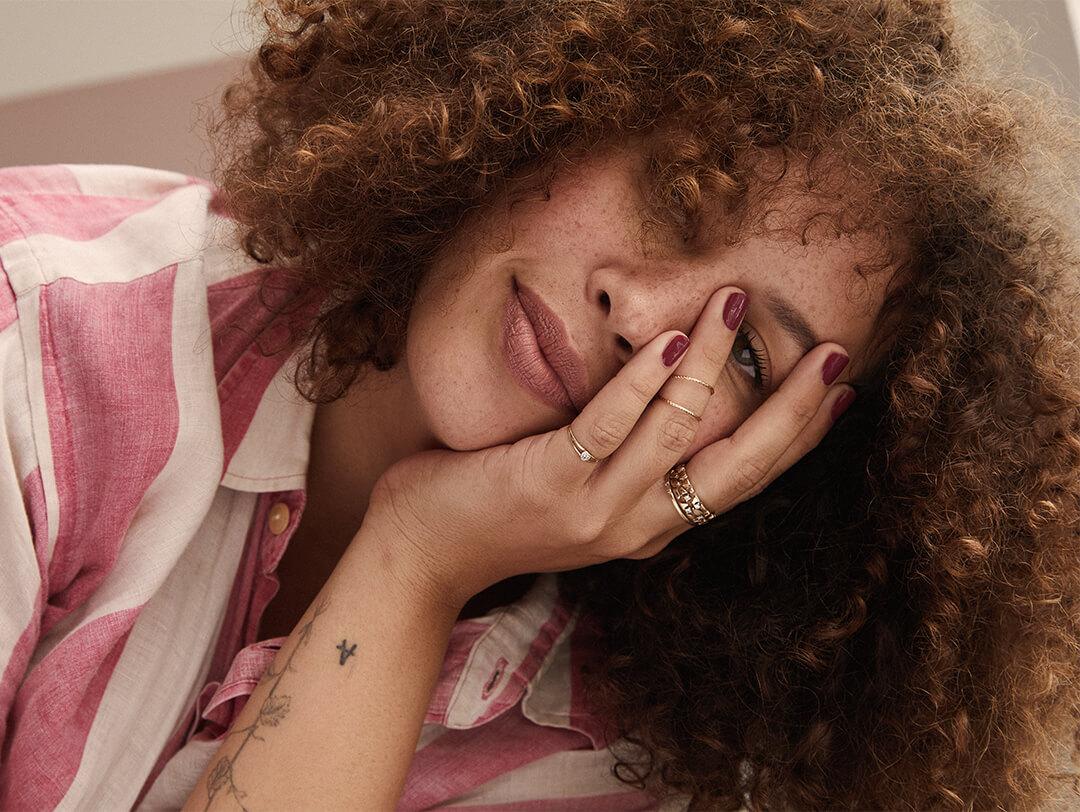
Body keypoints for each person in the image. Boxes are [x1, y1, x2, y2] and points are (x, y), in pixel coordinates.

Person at [1, 0, 1078, 809]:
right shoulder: (37, 325)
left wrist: (416, 559)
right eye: (676, 194)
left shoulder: (609, 759)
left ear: (779, 465)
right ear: (556, 106)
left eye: (743, 349)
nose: (639, 312)